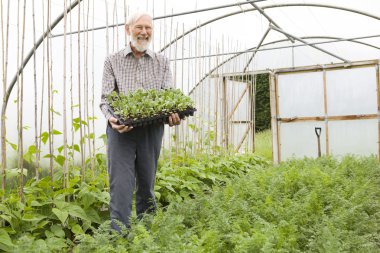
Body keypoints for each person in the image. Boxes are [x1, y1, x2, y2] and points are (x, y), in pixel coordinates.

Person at [99, 11, 181, 231]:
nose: (144, 32)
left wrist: (173, 114)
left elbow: (169, 95)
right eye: (139, 27)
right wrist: (112, 120)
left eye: (148, 28)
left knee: (147, 184)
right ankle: (119, 236)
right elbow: (106, 99)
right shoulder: (112, 61)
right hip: (121, 131)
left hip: (151, 130)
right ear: (128, 29)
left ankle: (148, 236)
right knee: (121, 185)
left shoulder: (162, 62)